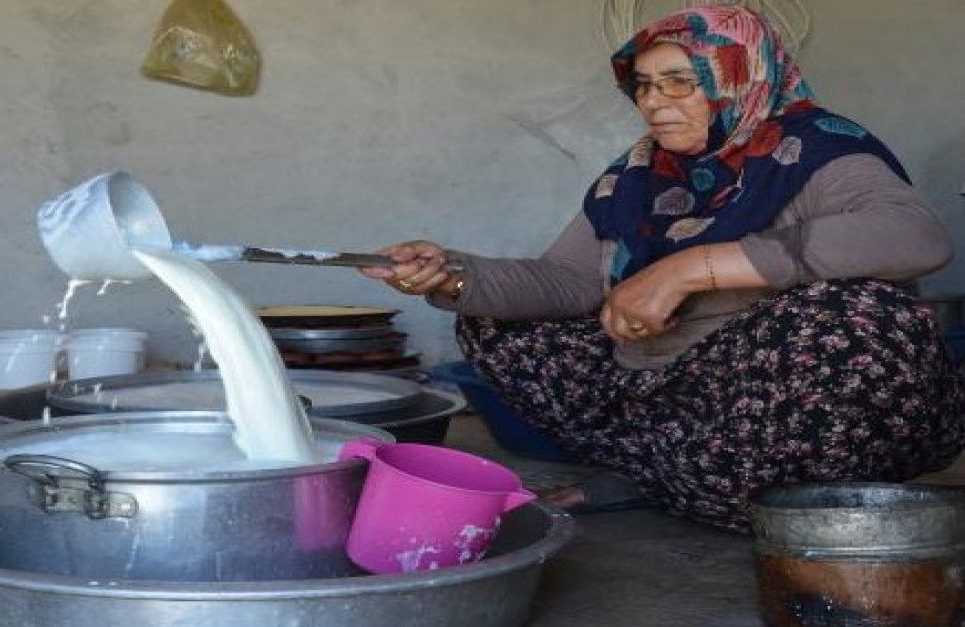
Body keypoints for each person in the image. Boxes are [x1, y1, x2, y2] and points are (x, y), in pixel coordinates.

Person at [361, 5, 965, 533]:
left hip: (773, 407)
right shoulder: (639, 171)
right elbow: (563, 282)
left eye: (680, 83)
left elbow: (915, 235)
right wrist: (452, 275)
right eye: (644, 85)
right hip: (660, 397)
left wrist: (689, 267)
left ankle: (770, 497)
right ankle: (663, 472)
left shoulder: (813, 149)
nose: (652, 101)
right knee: (492, 316)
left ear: (737, 80)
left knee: (859, 318)